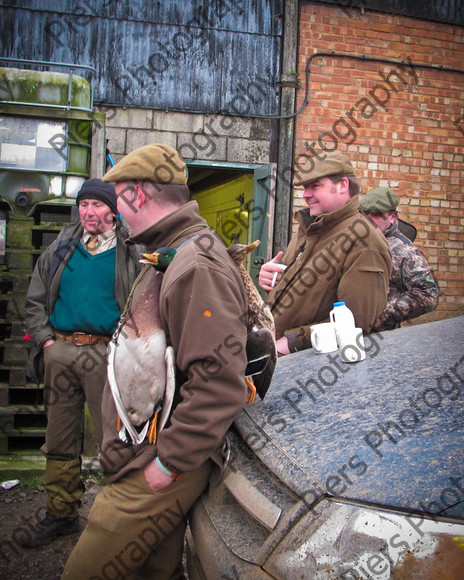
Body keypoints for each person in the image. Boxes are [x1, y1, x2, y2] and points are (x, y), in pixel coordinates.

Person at [62, 144, 249, 579]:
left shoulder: (195, 263)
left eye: (118, 199)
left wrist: (168, 464)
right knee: (155, 569)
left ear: (138, 196)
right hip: (145, 450)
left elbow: (220, 381)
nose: (114, 212)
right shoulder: (172, 249)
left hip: (161, 461)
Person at [22, 178, 141, 548]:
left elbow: (144, 304)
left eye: (96, 205)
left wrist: (127, 349)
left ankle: (118, 521)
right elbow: (35, 299)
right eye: (83, 205)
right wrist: (45, 342)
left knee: (115, 438)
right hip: (60, 352)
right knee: (59, 438)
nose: (88, 212)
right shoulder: (62, 246)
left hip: (106, 355)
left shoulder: (131, 251)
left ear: (113, 210)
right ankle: (61, 513)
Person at [259, 151, 392, 355]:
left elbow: (355, 323)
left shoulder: (365, 241)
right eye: (305, 187)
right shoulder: (311, 228)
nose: (306, 194)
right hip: (272, 356)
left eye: (315, 186)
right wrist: (271, 278)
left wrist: (293, 341)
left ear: (343, 185)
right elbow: (301, 297)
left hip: (307, 367)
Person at [360, 186, 439, 330]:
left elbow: (428, 295)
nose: (368, 219)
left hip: (378, 338)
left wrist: (382, 316)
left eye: (376, 215)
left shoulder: (404, 252)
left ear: (392, 217)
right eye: (365, 213)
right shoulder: (359, 240)